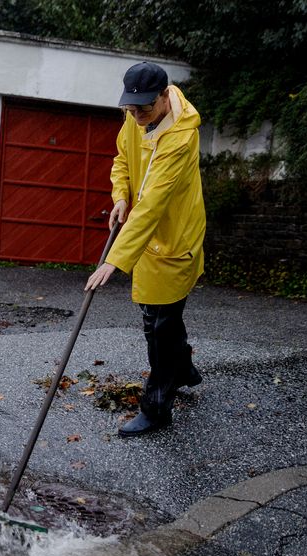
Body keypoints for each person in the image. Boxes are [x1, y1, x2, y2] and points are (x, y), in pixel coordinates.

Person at [84, 61, 207, 437]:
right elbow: (123, 159)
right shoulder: (135, 116)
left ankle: (156, 410)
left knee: (159, 329)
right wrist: (121, 195)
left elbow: (153, 204)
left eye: (144, 109)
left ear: (165, 97)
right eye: (130, 109)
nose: (137, 117)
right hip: (144, 232)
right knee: (163, 317)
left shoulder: (181, 137)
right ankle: (185, 370)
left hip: (173, 239)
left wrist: (114, 260)